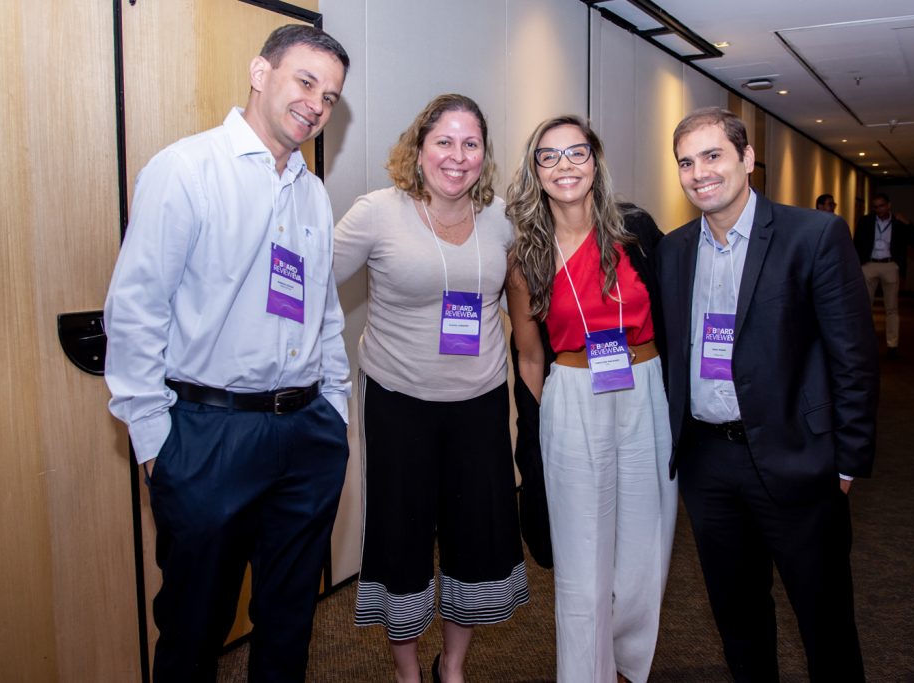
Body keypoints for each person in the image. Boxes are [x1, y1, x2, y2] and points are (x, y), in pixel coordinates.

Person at [103, 25, 351, 683]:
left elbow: (324, 315)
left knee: (289, 621)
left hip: (306, 435)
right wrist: (158, 448)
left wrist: (337, 414)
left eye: (329, 96)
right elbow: (134, 315)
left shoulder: (312, 191)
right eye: (305, 82)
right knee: (194, 629)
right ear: (260, 72)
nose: (316, 105)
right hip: (210, 436)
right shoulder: (185, 170)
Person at [656, 107, 879, 682]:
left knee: (824, 619)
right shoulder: (675, 250)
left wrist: (849, 458)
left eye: (713, 156)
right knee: (739, 619)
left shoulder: (814, 236)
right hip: (710, 463)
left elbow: (852, 356)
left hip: (798, 455)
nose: (699, 172)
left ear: (746, 159)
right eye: (686, 161)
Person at [333, 93, 528, 683]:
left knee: (474, 534)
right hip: (399, 404)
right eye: (444, 141)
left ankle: (455, 665)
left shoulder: (500, 218)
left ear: (483, 155)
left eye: (471, 144)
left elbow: (521, 301)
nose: (457, 156)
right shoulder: (377, 212)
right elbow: (313, 282)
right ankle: (406, 669)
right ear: (418, 149)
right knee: (402, 534)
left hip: (481, 404)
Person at [506, 115, 677, 683]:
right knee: (582, 560)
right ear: (535, 171)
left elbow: (673, 319)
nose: (564, 166)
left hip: (645, 391)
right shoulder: (525, 252)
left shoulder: (634, 230)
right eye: (548, 157)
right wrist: (531, 438)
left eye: (576, 153)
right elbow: (530, 356)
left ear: (595, 160)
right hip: (573, 400)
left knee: (643, 555)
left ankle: (629, 664)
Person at [854, 192, 914, 358]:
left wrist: (908, 224)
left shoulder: (899, 222)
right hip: (869, 265)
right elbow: (856, 244)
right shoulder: (866, 221)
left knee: (891, 309)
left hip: (890, 265)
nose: (879, 209)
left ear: (889, 205)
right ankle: (865, 343)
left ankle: (892, 345)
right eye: (876, 207)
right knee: (865, 307)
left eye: (882, 206)